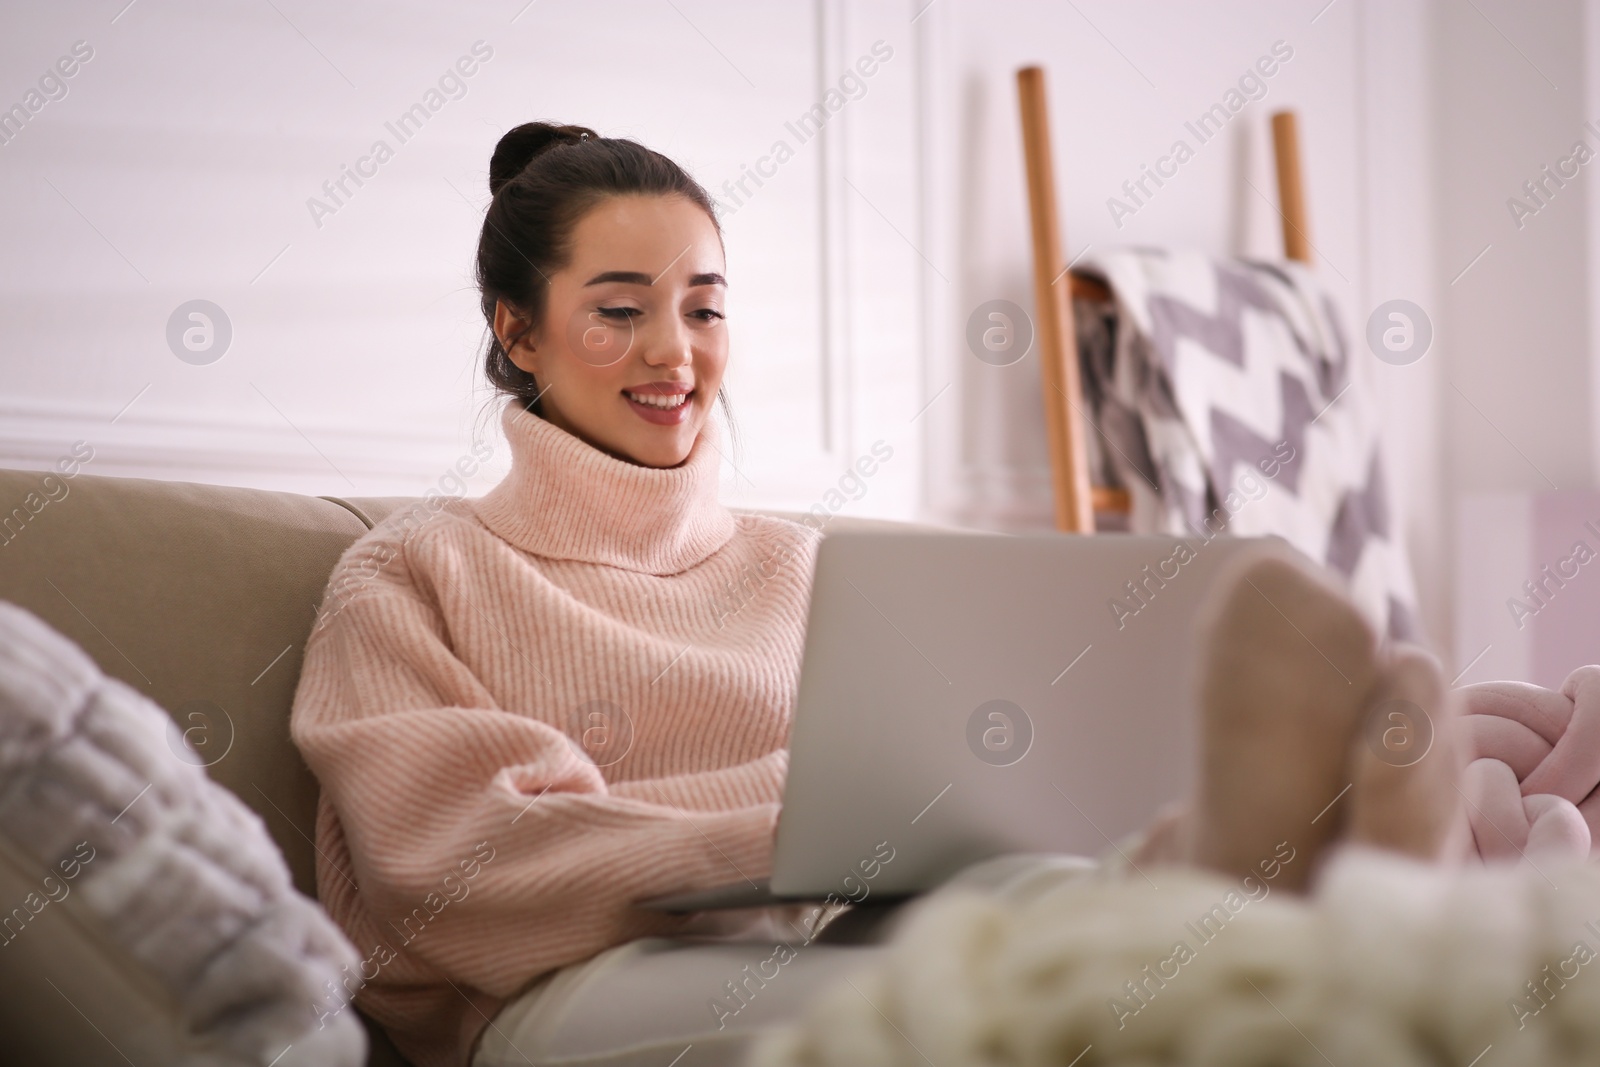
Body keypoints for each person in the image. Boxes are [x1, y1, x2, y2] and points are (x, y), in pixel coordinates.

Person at [289, 122, 1535, 1067]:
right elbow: (455, 871)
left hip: (845, 922)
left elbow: (920, 797)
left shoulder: (796, 567)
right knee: (973, 1008)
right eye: (618, 311)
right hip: (562, 994)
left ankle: (1261, 916)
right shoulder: (414, 571)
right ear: (517, 331)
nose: (675, 351)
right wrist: (788, 826)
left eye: (703, 307)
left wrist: (928, 828)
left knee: (1045, 912)